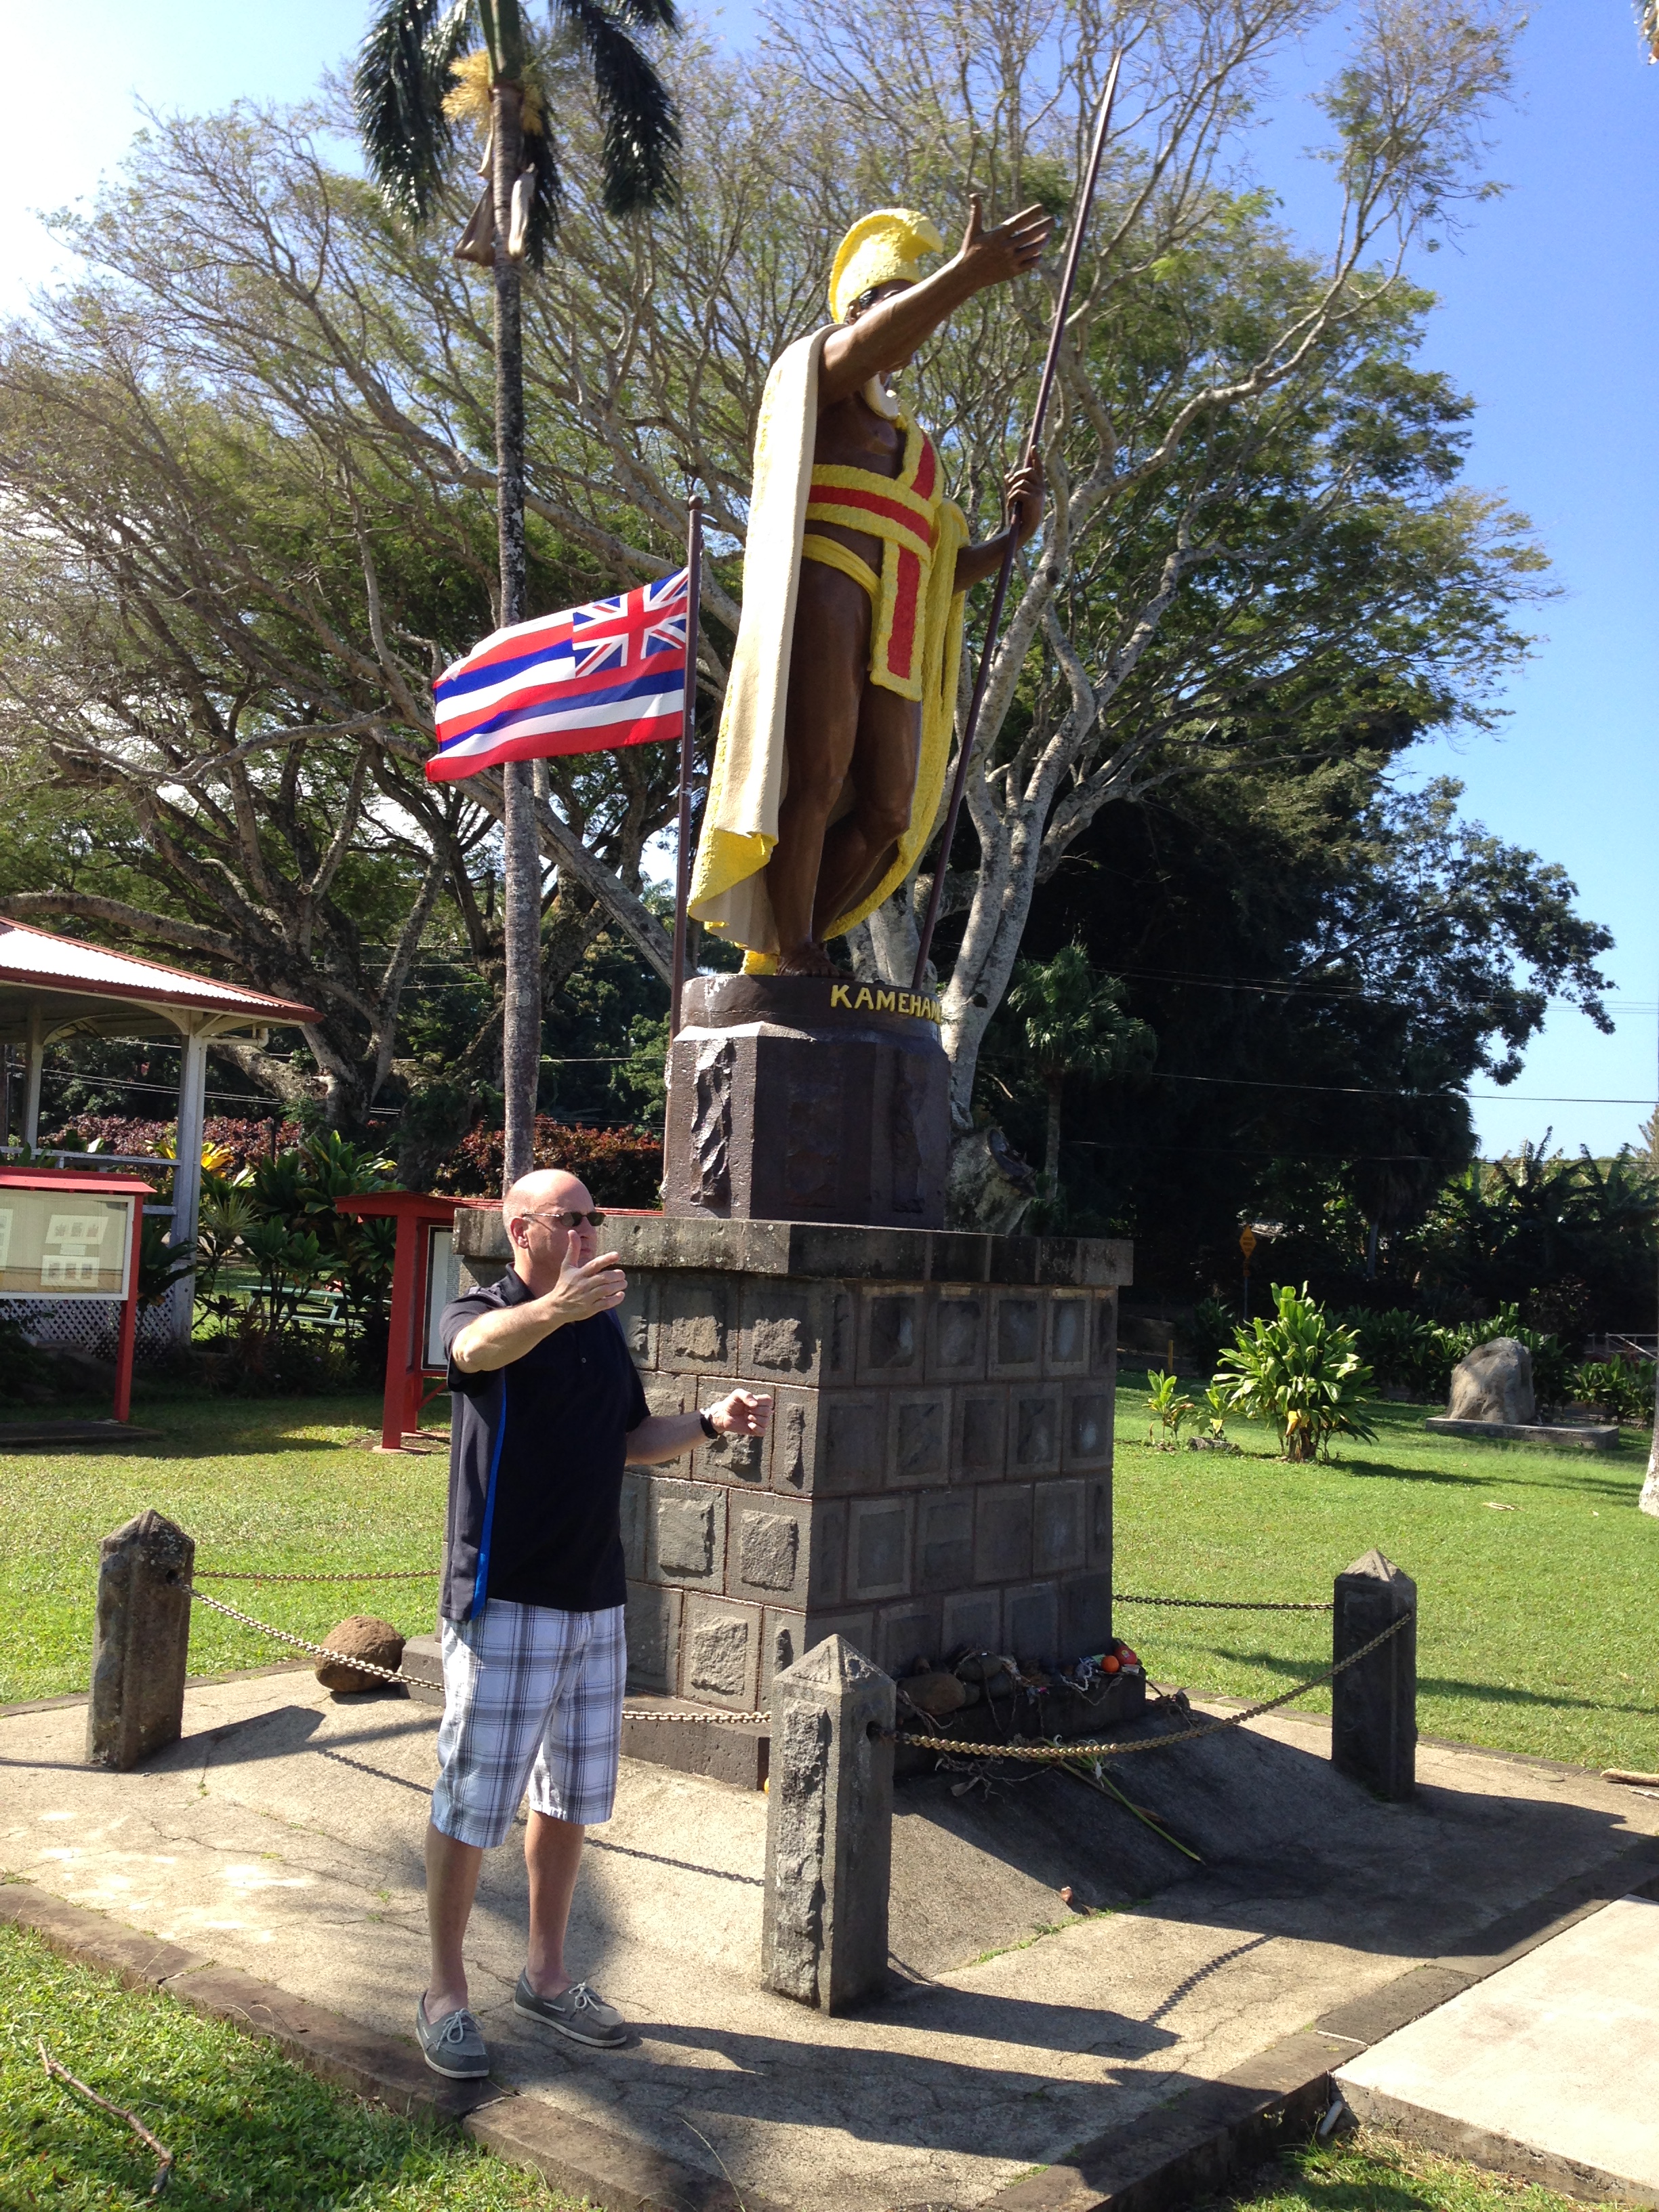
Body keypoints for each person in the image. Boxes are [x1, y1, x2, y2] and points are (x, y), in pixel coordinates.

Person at [417, 1166, 772, 2079]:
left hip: (593, 1599)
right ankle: (446, 1993)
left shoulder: (603, 1332)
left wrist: (710, 1422)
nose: (582, 1231)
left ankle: (546, 1974)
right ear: (518, 1226)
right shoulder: (483, 1310)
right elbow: (475, 1356)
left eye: (591, 1217)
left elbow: (628, 1440)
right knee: (471, 1800)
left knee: (569, 1798)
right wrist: (558, 1310)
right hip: (505, 1599)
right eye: (564, 1219)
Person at [688, 197, 1052, 977]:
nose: (910, 322)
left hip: (898, 621)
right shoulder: (818, 376)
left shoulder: (917, 452)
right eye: (892, 301)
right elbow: (860, 348)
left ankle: (797, 946)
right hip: (829, 590)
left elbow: (942, 570)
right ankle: (795, 952)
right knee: (814, 778)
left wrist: (1012, 538)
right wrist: (965, 276)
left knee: (889, 808)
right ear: (859, 312)